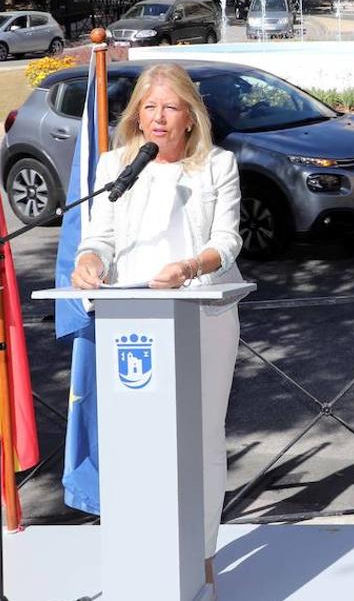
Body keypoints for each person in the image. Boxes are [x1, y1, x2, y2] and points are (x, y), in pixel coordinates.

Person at [70, 62, 244, 594]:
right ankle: (142, 554)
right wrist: (87, 261)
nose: (158, 118)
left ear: (191, 117)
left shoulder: (217, 165)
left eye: (170, 107)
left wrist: (189, 268)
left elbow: (229, 241)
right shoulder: (115, 165)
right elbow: (97, 236)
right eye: (149, 107)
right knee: (135, 444)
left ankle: (203, 553)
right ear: (136, 116)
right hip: (133, 320)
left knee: (201, 440)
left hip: (201, 311)